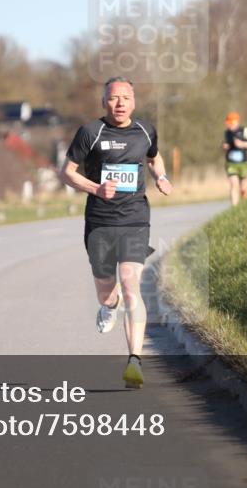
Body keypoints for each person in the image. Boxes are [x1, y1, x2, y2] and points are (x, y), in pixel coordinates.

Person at [61, 76, 174, 388]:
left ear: (134, 102)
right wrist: (96, 187)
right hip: (99, 221)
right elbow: (67, 173)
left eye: (126, 97)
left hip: (135, 217)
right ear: (104, 102)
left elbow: (153, 157)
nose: (120, 103)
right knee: (108, 292)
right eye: (113, 98)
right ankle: (108, 307)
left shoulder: (145, 131)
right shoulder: (90, 133)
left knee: (129, 283)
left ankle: (134, 361)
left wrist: (161, 176)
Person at [222, 111, 247, 206]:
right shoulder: (227, 133)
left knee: (243, 187)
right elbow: (224, 145)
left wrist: (242, 144)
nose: (229, 126)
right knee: (233, 184)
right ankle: (234, 208)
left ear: (236, 122)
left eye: (230, 123)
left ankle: (244, 201)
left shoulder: (245, 131)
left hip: (243, 163)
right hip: (231, 163)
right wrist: (225, 147)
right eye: (228, 123)